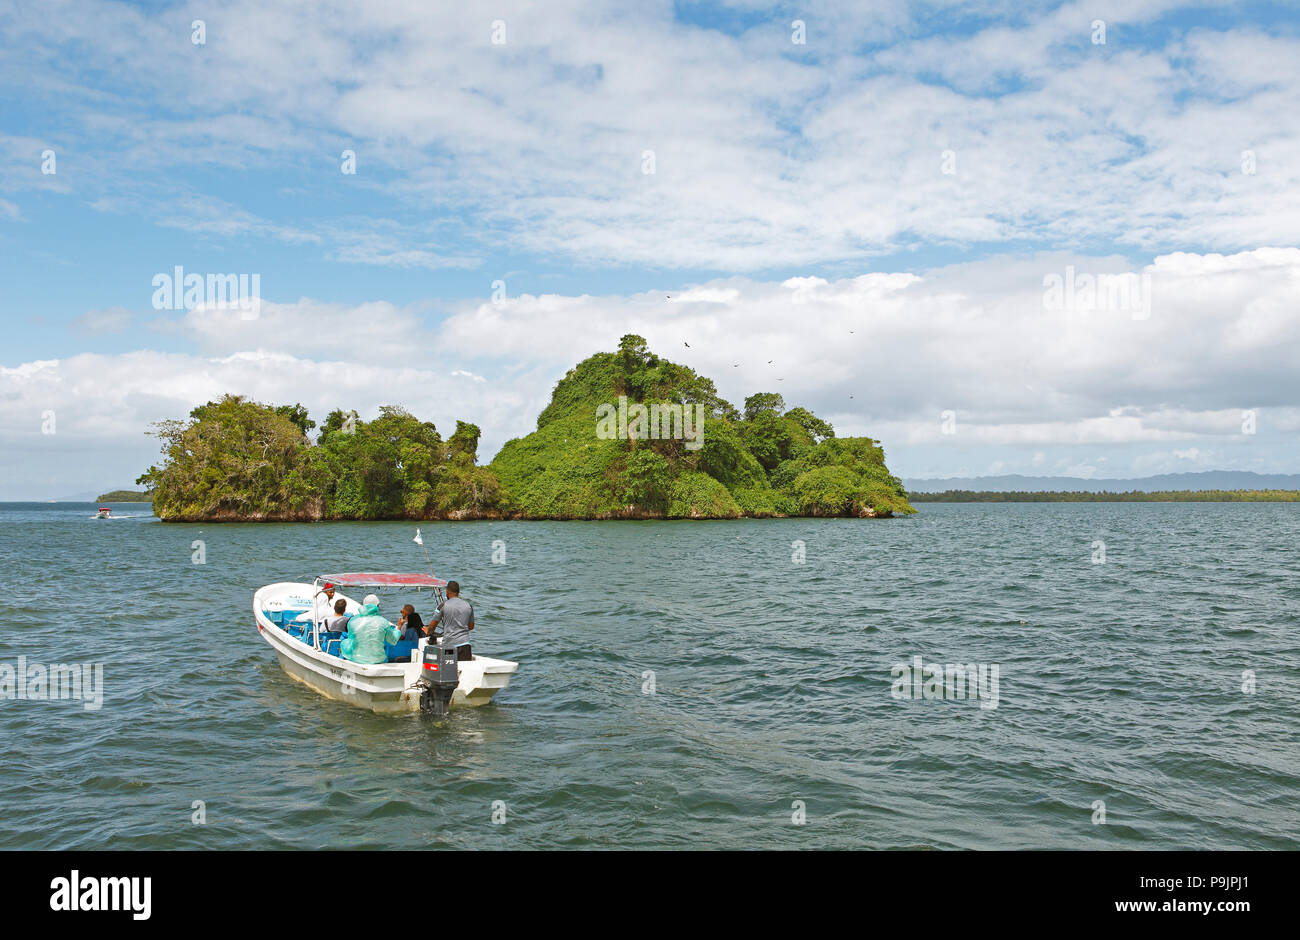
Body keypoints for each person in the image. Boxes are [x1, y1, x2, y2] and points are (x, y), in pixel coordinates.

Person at [340, 594, 401, 665]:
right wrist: (398, 629)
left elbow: (351, 641)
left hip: (357, 659)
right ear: (377, 606)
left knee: (344, 642)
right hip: (378, 660)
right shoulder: (383, 622)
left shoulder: (353, 621)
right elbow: (393, 641)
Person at [427, 581, 475, 661]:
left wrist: (428, 632)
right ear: (458, 592)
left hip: (449, 646)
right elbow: (471, 626)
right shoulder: (468, 606)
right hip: (465, 645)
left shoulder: (443, 605)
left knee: (448, 671)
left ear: (447, 591)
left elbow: (432, 626)